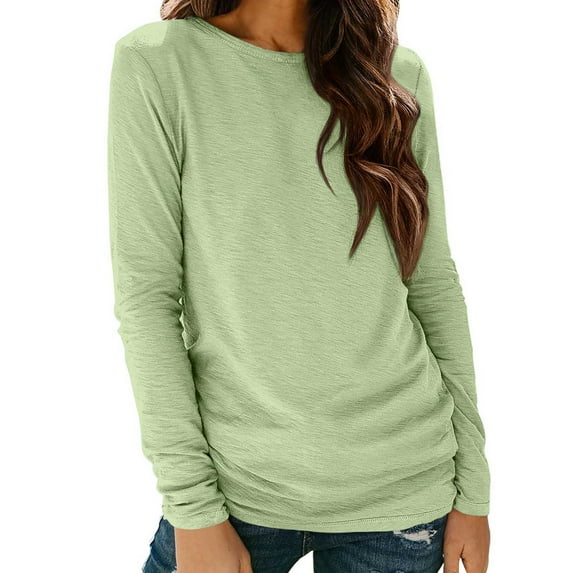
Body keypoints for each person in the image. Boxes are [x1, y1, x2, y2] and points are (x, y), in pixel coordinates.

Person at [106, 1, 491, 572]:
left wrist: (473, 491)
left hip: (403, 489)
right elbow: (147, 298)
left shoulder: (395, 74)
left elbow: (432, 284)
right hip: (238, 489)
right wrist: (192, 507)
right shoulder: (159, 64)